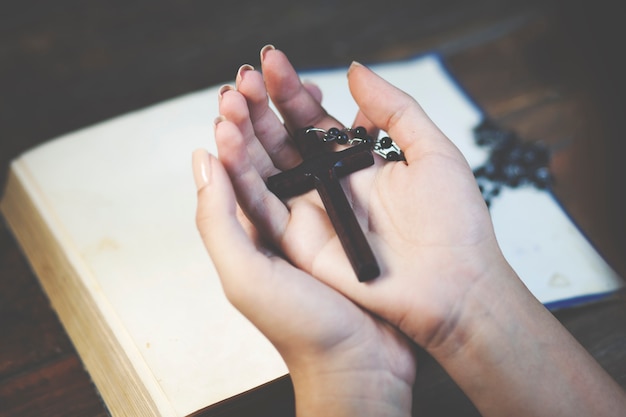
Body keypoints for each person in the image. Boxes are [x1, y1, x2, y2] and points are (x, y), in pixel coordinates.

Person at [191, 45, 626, 417]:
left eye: (584, 131)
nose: (560, 163)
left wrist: (343, 378)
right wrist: (349, 377)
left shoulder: (351, 161)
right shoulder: (347, 159)